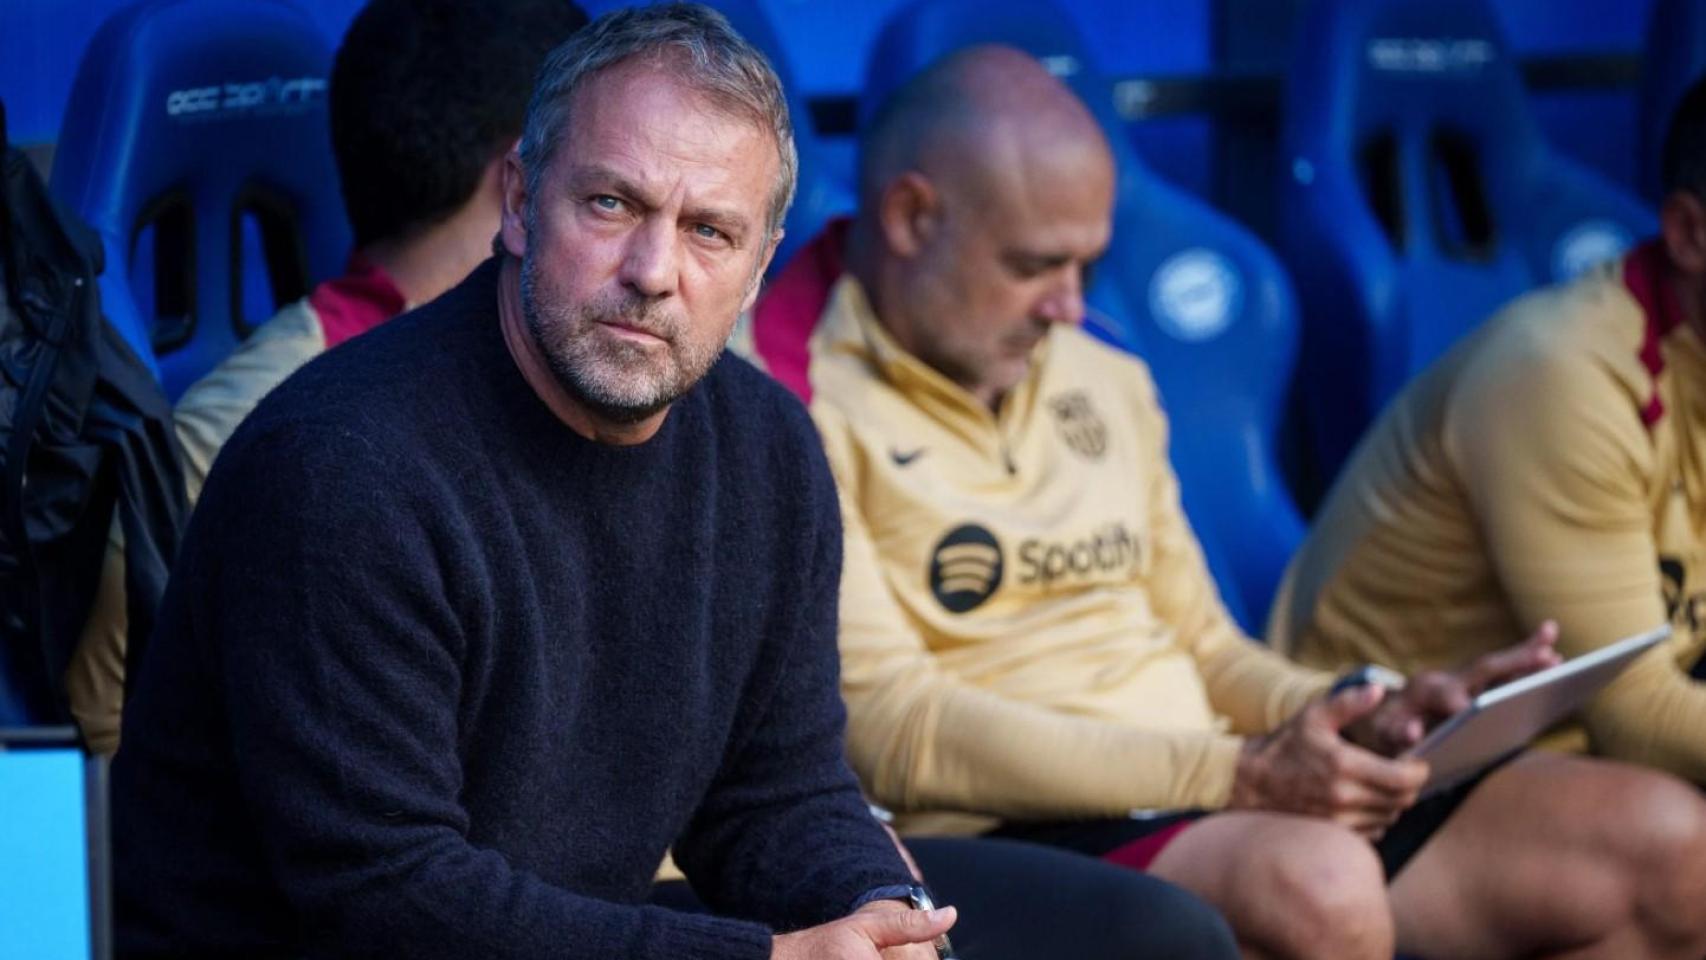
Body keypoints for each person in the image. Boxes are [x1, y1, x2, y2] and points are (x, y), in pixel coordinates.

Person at [753, 44, 1706, 960]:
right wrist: (1239, 772)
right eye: (1036, 264)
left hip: (1216, 783)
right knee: (1319, 886)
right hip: (1008, 823)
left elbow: (1208, 648)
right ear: (914, 219)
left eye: (1088, 264)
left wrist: (1359, 711)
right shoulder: (777, 391)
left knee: (1674, 851)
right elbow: (891, 728)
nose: (1070, 305)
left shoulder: (1102, 365)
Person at [112, 7, 957, 957]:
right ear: (519, 201)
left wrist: (883, 915)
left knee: (1114, 926)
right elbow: (384, 897)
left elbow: (776, 793)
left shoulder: (769, 449)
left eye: (710, 231)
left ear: (759, 269)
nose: (653, 271)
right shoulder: (340, 468)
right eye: (612, 205)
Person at [67, 0, 589, 755]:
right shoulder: (241, 440)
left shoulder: (605, 387)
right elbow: (111, 744)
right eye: (603, 186)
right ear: (521, 179)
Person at [1267, 76, 1706, 789]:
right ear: (1690, 233)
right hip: (1389, 758)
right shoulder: (1566, 375)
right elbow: (1640, 718)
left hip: (1565, 748)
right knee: (1686, 838)